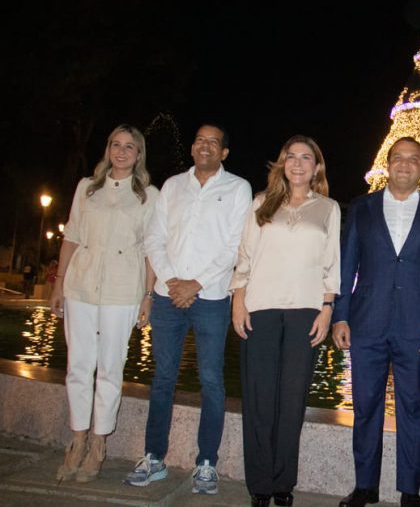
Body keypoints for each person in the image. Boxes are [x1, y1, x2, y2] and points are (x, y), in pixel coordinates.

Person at [124, 123, 252, 495]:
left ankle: (206, 462)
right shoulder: (172, 186)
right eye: (199, 140)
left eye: (214, 141)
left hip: (211, 298)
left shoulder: (237, 188)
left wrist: (195, 283)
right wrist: (171, 281)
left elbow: (234, 245)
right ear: (193, 147)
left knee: (211, 380)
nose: (205, 146)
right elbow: (155, 237)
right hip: (168, 296)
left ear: (224, 152)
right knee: (163, 378)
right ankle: (153, 457)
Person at [332, 137, 420, 507]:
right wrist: (340, 315)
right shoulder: (362, 207)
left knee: (414, 408)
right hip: (366, 324)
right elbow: (346, 265)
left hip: (417, 330)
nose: (404, 164)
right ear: (387, 163)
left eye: (413, 159)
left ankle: (410, 490)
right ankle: (365, 486)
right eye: (398, 157)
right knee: (365, 405)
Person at [230, 135, 341, 507]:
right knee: (260, 398)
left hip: (305, 312)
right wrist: (238, 301)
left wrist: (327, 309)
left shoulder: (328, 208)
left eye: (305, 157)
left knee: (292, 399)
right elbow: (244, 257)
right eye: (290, 156)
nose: (297, 163)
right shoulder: (261, 203)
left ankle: (283, 482)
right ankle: (259, 484)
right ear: (281, 164)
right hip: (260, 308)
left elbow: (332, 265)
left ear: (316, 167)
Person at [50, 124, 158, 482]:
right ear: (108, 149)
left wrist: (147, 295)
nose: (122, 151)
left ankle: (99, 442)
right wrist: (59, 284)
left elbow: (151, 250)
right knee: (79, 366)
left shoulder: (148, 196)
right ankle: (77, 439)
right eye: (116, 144)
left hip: (122, 290)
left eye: (130, 146)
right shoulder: (87, 188)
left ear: (139, 154)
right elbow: (71, 237)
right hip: (80, 286)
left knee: (110, 368)